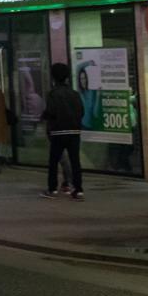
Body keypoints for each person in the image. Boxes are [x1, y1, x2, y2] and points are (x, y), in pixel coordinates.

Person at [41, 62, 85, 200]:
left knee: (54, 161)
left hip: (58, 131)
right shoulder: (74, 94)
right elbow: (81, 111)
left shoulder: (53, 94)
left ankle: (52, 189)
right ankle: (78, 189)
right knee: (75, 160)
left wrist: (45, 117)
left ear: (53, 77)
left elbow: (51, 111)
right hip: (74, 131)